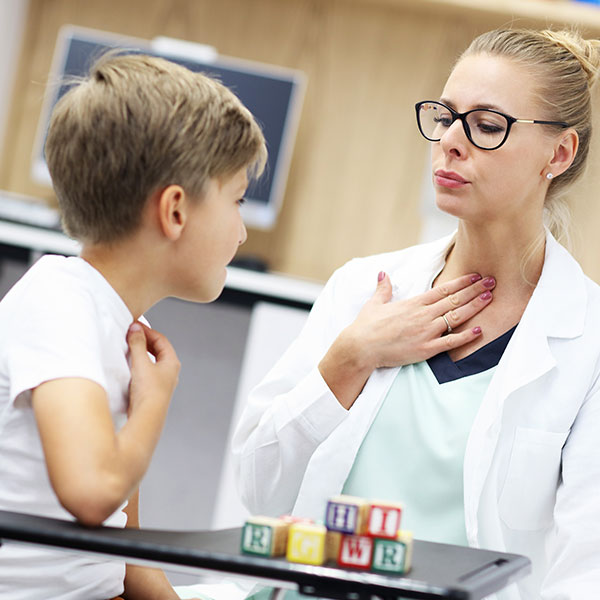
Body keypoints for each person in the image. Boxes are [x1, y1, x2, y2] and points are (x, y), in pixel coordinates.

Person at [232, 28, 600, 600]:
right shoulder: (364, 289)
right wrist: (350, 360)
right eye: (445, 116)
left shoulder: (589, 342)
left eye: (486, 125)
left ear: (559, 153)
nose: (450, 142)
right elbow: (260, 491)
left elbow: (586, 571)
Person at [0, 52, 266, 599]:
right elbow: (94, 493)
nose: (242, 233)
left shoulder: (122, 325)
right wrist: (153, 403)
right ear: (174, 211)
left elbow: (122, 545)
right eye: (236, 201)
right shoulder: (57, 303)